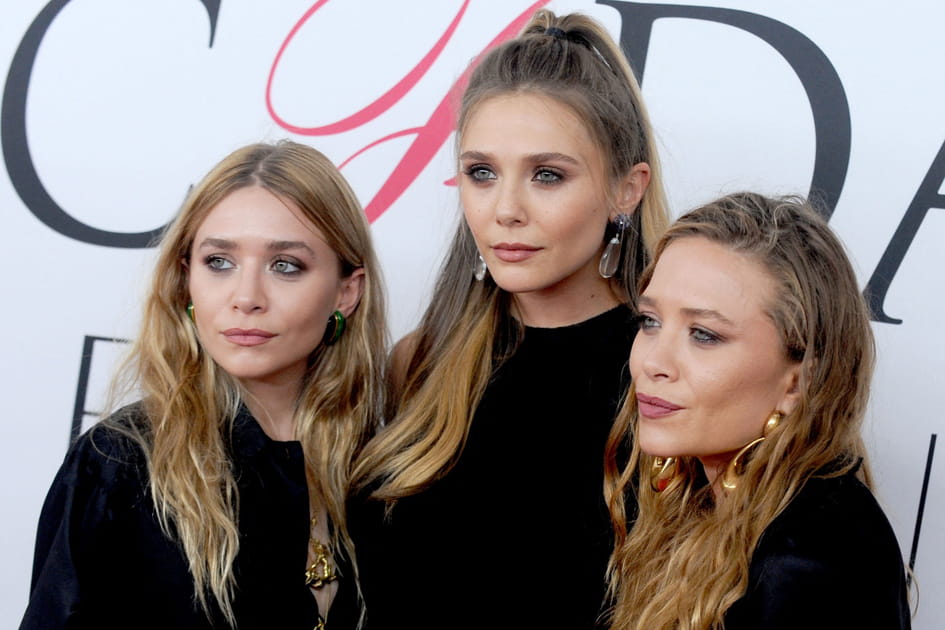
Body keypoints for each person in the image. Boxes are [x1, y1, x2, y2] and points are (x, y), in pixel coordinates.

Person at [350, 9, 669, 629]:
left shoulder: (663, 380)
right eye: (481, 173)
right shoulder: (420, 363)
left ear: (626, 190)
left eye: (547, 175)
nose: (505, 210)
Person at [20, 140, 386, 630]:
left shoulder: (384, 470)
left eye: (285, 266)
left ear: (347, 291)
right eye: (219, 261)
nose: (246, 297)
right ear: (185, 278)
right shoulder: (118, 467)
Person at [605, 192, 911, 630]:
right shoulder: (721, 505)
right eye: (650, 321)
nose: (653, 363)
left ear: (798, 379)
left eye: (704, 335)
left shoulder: (807, 564)